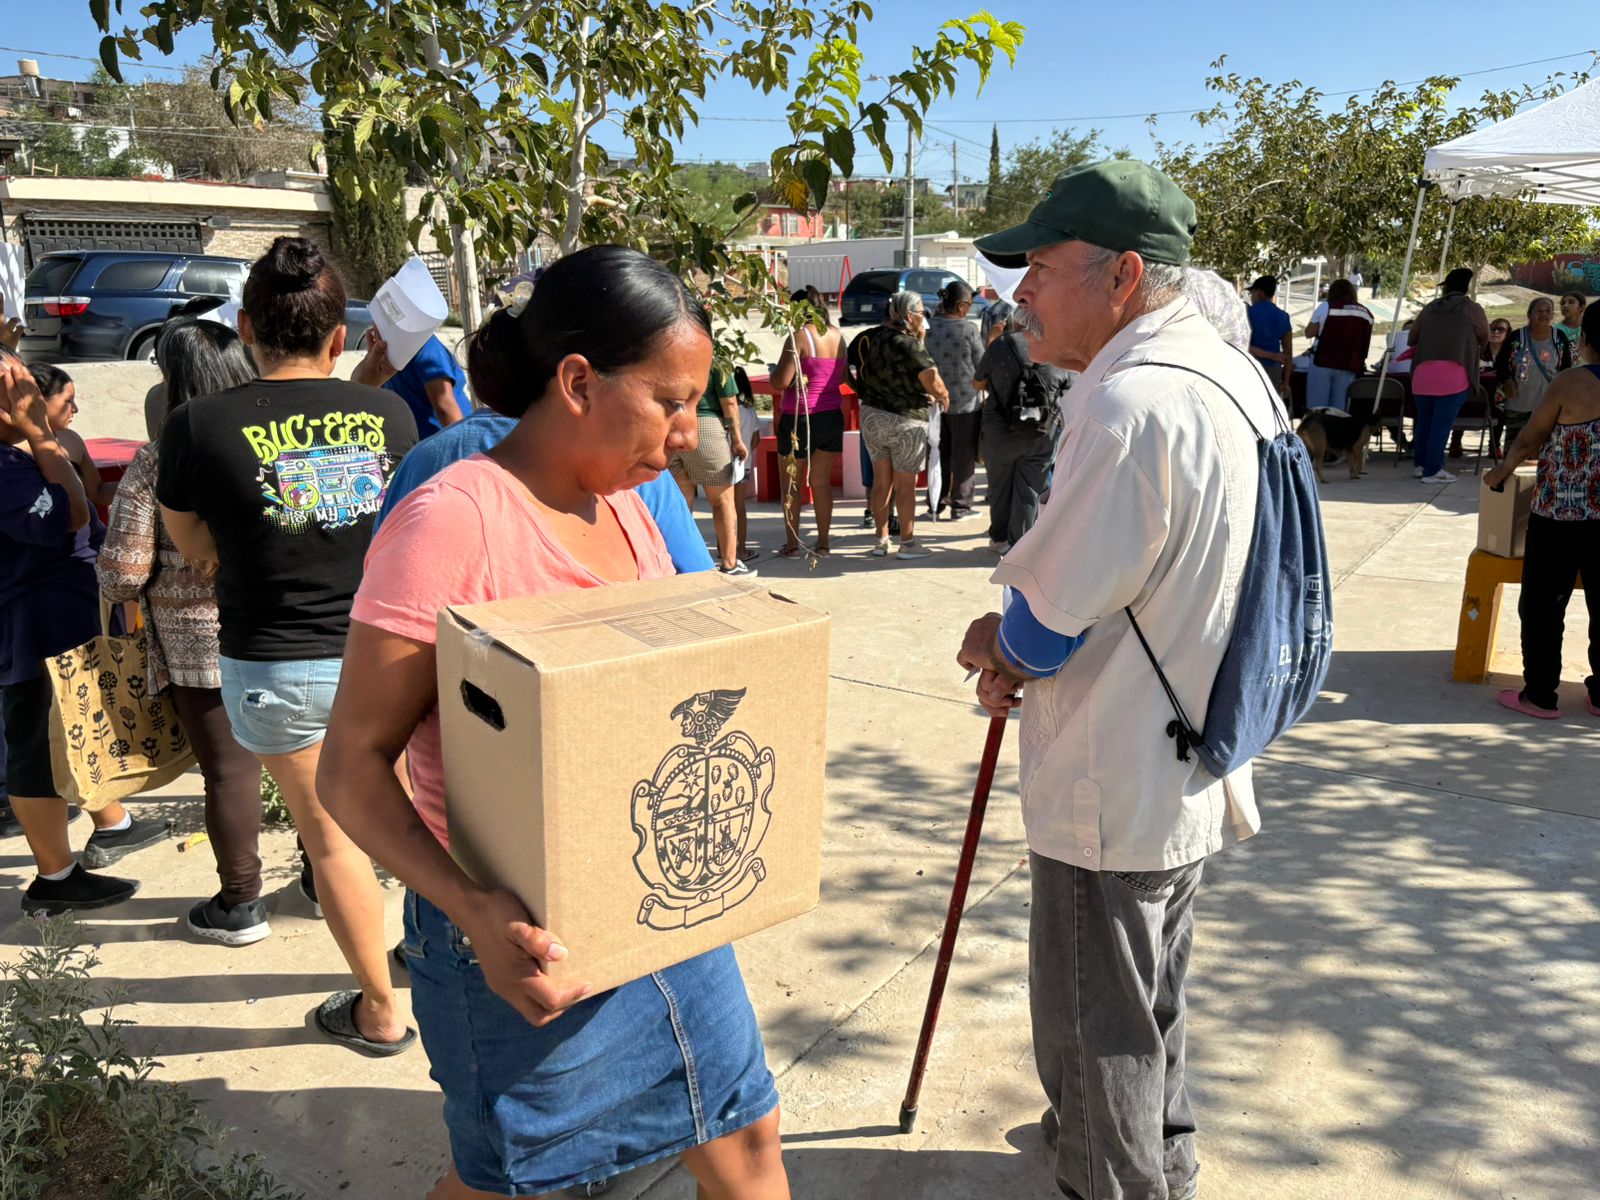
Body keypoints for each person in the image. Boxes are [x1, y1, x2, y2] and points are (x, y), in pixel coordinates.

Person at [316, 245, 788, 1200]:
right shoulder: (454, 522)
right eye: (670, 401)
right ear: (577, 382)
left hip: (657, 912)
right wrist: (473, 911)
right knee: (519, 1183)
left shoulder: (632, 507)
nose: (688, 432)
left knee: (746, 1139)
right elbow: (350, 767)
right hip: (518, 942)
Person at [961, 159, 1276, 1200]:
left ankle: (1111, 1173)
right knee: (1149, 994)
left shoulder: (1129, 405)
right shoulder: (1227, 370)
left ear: (1123, 274)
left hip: (1117, 766)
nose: (1021, 292)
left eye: (1042, 267)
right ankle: (1155, 1150)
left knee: (1096, 1016)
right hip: (1188, 746)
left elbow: (1045, 626)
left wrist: (993, 646)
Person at [156, 237, 418, 1053]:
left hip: (275, 663)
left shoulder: (195, 425)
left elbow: (192, 544)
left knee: (331, 841)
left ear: (246, 329)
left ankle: (381, 1011)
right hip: (389, 661)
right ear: (339, 335)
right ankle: (435, 961)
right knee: (418, 830)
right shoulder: (390, 415)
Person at [97, 318, 274, 945]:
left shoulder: (160, 457)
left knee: (228, 773)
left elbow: (122, 571)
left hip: (200, 646)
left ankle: (241, 904)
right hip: (287, 629)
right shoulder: (272, 443)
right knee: (307, 764)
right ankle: (320, 879)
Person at [1, 349, 172, 914]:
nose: (24, 398)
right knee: (37, 747)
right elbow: (72, 512)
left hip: (56, 619)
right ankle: (55, 877)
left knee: (70, 733)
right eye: (15, 389)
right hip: (31, 630)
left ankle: (107, 827)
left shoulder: (21, 455)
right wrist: (40, 435)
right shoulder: (9, 465)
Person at [1485, 300, 1600, 721]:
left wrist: (1501, 471)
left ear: (1584, 340)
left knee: (1543, 606)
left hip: (1560, 515)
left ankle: (1540, 694)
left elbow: (1531, 438)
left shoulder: (1571, 382)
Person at [846, 291, 949, 559]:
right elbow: (931, 378)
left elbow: (843, 368)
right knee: (905, 484)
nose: (924, 318)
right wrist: (942, 395)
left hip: (872, 415)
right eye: (922, 313)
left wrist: (860, 389)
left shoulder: (867, 338)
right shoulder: (909, 345)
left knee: (881, 481)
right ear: (909, 315)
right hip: (906, 418)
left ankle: (881, 540)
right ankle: (908, 543)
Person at [974, 320, 1071, 554]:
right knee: (1030, 490)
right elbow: (1069, 387)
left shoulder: (1001, 345)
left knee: (999, 487)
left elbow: (977, 382)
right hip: (1043, 432)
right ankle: (1019, 545)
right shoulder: (1059, 344)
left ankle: (999, 539)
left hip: (1000, 431)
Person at [769, 287, 847, 557]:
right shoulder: (837, 336)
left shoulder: (799, 337)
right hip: (831, 416)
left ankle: (792, 546)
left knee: (791, 484)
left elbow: (780, 382)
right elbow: (842, 377)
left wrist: (776, 375)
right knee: (821, 482)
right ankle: (823, 544)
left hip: (799, 418)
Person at [668, 360, 755, 576]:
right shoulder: (715, 361)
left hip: (672, 425)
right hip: (705, 426)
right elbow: (730, 402)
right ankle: (730, 563)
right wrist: (737, 439)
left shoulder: (667, 352)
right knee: (722, 500)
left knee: (681, 503)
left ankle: (682, 564)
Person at [1408, 268, 1489, 484]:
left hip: (1423, 373)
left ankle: (1420, 465)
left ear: (1445, 288)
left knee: (1424, 422)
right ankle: (1433, 470)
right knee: (1441, 423)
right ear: (1467, 288)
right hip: (1455, 372)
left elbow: (1412, 338)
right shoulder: (1472, 309)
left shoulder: (1430, 308)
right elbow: (1484, 335)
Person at [924, 280, 987, 521]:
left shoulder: (929, 327)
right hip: (965, 404)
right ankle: (961, 506)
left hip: (934, 403)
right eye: (969, 304)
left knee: (937, 454)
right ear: (961, 305)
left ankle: (936, 503)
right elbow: (981, 365)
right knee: (963, 457)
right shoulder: (968, 329)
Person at [1504, 296, 1573, 453]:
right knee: (1514, 447)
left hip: (1548, 404)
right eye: (1539, 311)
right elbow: (1501, 363)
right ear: (1529, 314)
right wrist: (1507, 380)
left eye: (1548, 311)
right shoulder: (1517, 337)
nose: (1544, 314)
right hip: (1519, 403)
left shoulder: (1559, 337)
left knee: (1546, 448)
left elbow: (1566, 368)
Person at [1302, 279, 1372, 413]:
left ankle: (1318, 426)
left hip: (1322, 361)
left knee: (1317, 407)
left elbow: (1308, 333)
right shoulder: (1365, 313)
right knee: (1340, 408)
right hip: (1348, 364)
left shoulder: (1326, 307)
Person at [383, 332, 467, 439]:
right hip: (442, 437)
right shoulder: (425, 344)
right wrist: (466, 444)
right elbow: (444, 406)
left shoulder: (389, 345)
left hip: (419, 439)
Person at [1245, 275, 1293, 399]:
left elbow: (1242, 346)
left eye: (1252, 293)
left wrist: (1269, 355)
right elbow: (1288, 354)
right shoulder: (1283, 316)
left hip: (1251, 367)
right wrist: (1285, 382)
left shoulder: (1247, 313)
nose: (1251, 296)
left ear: (1260, 293)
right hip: (1274, 371)